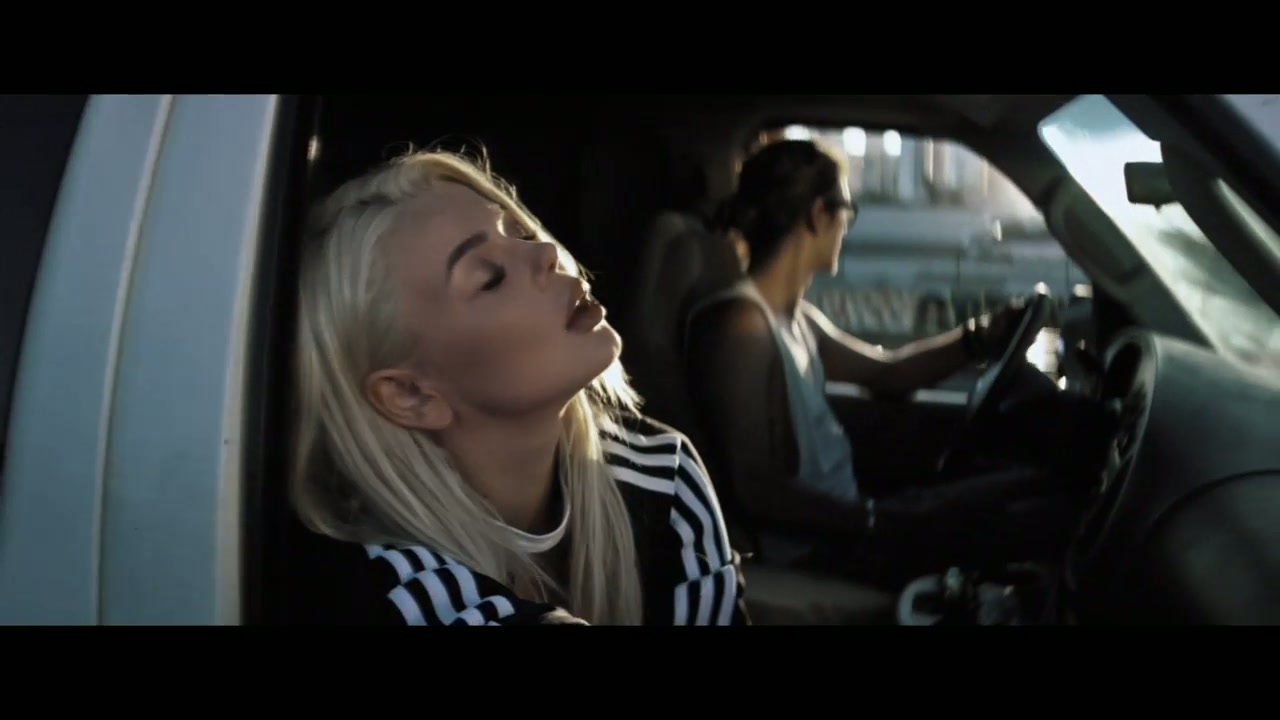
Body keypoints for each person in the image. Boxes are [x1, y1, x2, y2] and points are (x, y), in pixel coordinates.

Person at [291, 148, 748, 625]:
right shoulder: (383, 585)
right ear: (411, 395)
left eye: (522, 233)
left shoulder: (660, 475)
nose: (547, 254)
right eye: (490, 278)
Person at [686, 139, 1067, 588]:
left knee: (1028, 489)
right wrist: (873, 520)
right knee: (1028, 519)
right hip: (820, 549)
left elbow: (887, 372)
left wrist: (977, 339)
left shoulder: (795, 318)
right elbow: (755, 487)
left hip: (849, 523)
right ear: (818, 214)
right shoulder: (743, 325)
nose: (847, 226)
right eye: (847, 209)